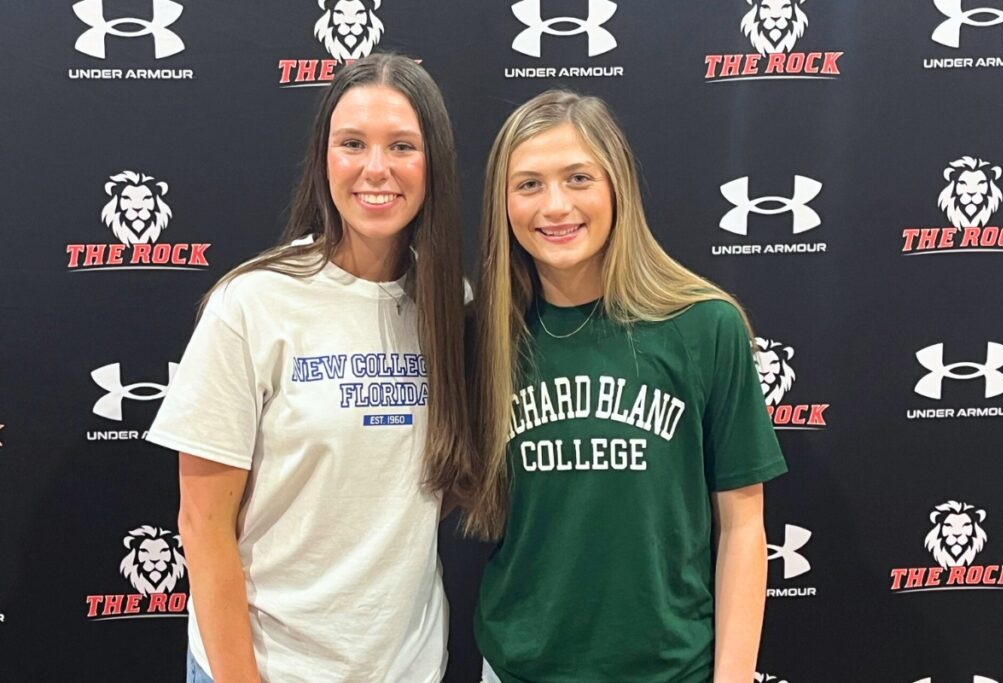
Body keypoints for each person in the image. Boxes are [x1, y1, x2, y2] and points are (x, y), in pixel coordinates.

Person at [146, 53, 473, 683]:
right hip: (267, 669)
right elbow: (202, 524)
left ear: (434, 164)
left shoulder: (448, 307)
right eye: (352, 143)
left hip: (406, 669)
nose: (376, 168)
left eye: (401, 145)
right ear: (324, 159)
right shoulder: (253, 302)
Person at [464, 90, 787, 683]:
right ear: (502, 203)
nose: (555, 206)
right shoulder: (482, 335)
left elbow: (743, 526)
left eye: (578, 177)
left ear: (617, 186)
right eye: (528, 184)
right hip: (520, 667)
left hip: (671, 669)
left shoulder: (703, 324)